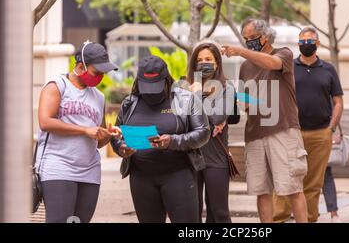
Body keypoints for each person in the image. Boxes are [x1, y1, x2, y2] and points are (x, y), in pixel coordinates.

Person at [222, 18, 308, 223]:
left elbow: (273, 64)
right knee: (261, 190)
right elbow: (246, 103)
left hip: (283, 130)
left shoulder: (284, 53)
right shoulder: (245, 68)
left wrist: (241, 51)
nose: (248, 42)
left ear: (266, 36)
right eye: (245, 39)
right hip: (255, 133)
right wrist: (230, 94)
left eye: (252, 38)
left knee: (292, 187)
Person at [110, 55, 210, 223]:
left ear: (166, 80)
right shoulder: (129, 103)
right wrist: (121, 148)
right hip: (141, 178)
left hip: (178, 176)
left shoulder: (186, 99)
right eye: (146, 87)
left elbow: (203, 132)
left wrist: (172, 141)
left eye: (154, 87)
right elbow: (117, 135)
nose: (150, 92)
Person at [36, 41, 120, 223]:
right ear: (80, 66)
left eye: (103, 74)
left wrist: (107, 134)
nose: (100, 77)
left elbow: (97, 140)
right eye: (96, 72)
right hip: (58, 166)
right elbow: (45, 121)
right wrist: (84, 130)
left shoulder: (98, 96)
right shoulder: (57, 85)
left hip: (89, 171)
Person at [272, 26, 344, 223]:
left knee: (313, 183)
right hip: (291, 133)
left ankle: (309, 219)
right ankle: (279, 219)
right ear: (298, 44)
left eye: (310, 42)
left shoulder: (328, 69)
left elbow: (338, 101)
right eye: (302, 42)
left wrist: (331, 129)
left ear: (317, 44)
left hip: (321, 134)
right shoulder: (289, 67)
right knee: (285, 179)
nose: (306, 45)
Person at [187, 40, 235, 223]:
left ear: (217, 63)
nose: (204, 63)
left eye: (208, 59)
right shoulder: (186, 87)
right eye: (199, 60)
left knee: (219, 213)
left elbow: (217, 117)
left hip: (216, 158)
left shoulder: (226, 88)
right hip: (191, 158)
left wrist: (198, 94)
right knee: (193, 213)